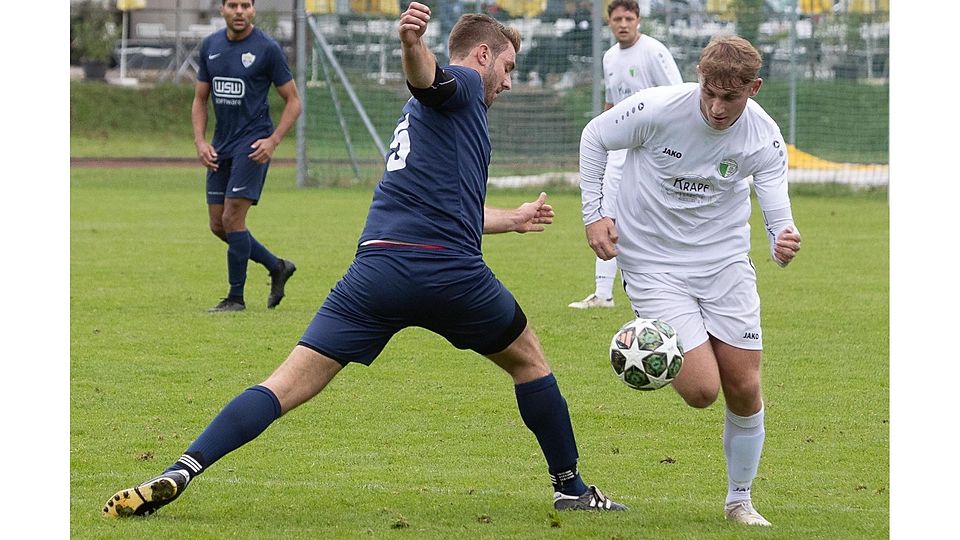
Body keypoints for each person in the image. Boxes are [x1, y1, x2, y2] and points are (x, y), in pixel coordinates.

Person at [102, 2, 625, 519]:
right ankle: (571, 488)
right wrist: (410, 45)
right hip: (448, 272)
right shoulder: (462, 85)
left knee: (283, 385)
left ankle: (183, 468)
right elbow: (430, 78)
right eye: (508, 68)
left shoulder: (425, 122)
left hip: (374, 270)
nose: (509, 82)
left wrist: (509, 218)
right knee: (528, 359)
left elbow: (442, 200)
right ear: (483, 55)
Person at [578, 35, 802, 526]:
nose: (717, 108)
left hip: (724, 263)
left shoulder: (763, 137)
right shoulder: (658, 108)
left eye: (731, 97)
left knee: (744, 383)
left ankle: (739, 500)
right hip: (653, 264)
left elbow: (778, 218)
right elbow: (595, 137)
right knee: (702, 391)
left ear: (754, 88)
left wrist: (783, 243)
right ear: (699, 80)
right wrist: (595, 214)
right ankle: (639, 341)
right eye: (710, 93)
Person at [568, 0, 681, 309]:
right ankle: (603, 293)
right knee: (606, 210)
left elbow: (678, 97)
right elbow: (611, 103)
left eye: (628, 18)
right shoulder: (609, 57)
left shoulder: (654, 51)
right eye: (617, 18)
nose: (623, 23)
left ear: (638, 20)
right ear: (609, 22)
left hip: (654, 150)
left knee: (656, 214)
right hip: (621, 150)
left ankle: (669, 284)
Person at [193, 0, 302, 313]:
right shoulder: (210, 46)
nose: (239, 11)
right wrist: (200, 141)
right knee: (218, 225)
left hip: (252, 146)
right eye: (232, 5)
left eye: (245, 5)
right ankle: (277, 265)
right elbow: (200, 99)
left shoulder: (266, 48)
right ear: (222, 10)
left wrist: (273, 140)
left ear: (253, 10)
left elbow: (293, 101)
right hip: (220, 145)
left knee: (232, 218)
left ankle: (235, 298)